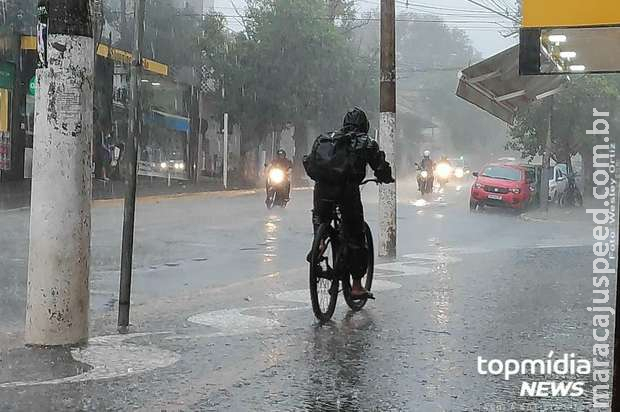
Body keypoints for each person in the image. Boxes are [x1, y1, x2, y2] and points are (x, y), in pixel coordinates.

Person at [305, 107, 394, 299]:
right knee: (355, 235)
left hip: (322, 189)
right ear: (365, 126)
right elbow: (380, 167)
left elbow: (310, 164)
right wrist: (386, 177)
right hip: (347, 191)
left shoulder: (326, 139)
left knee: (320, 218)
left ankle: (319, 243)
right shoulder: (365, 142)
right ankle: (356, 285)